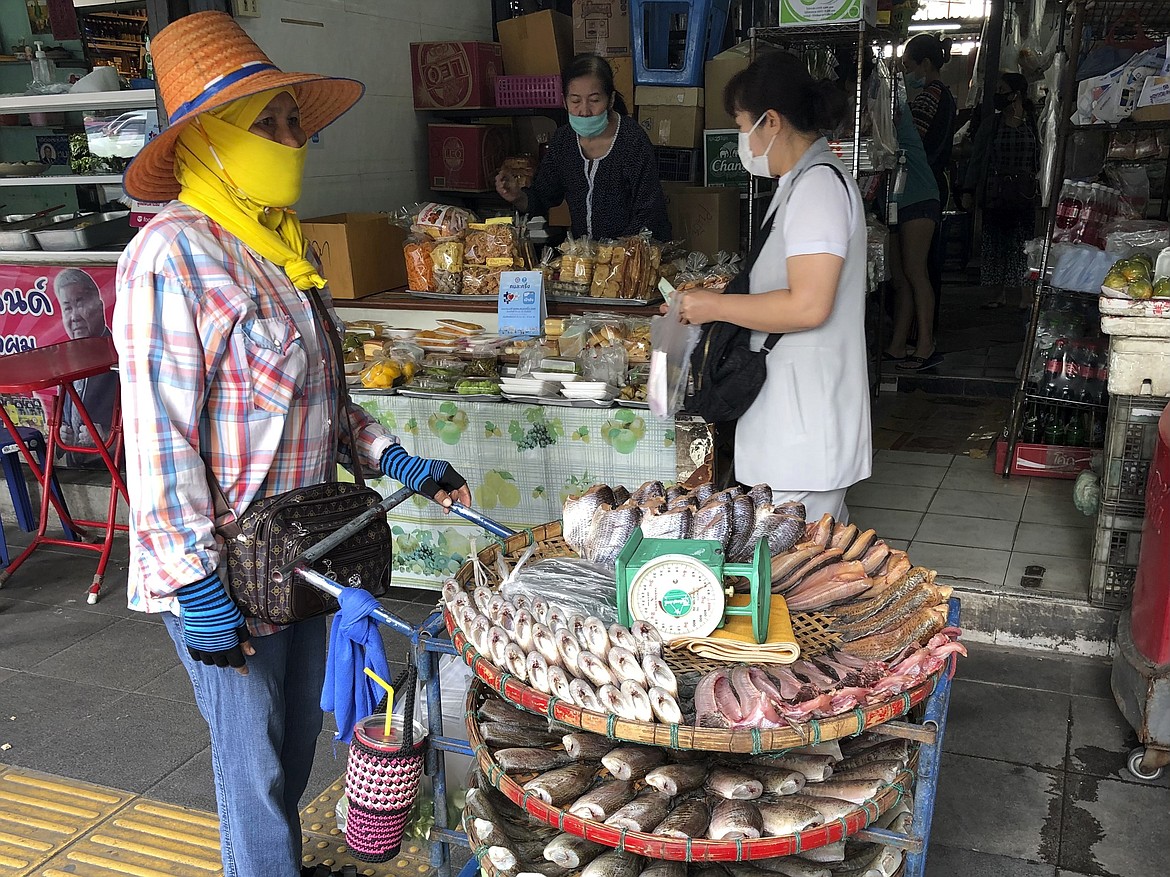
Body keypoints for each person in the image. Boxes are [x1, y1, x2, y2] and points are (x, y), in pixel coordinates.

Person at [113, 13, 471, 877]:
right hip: (226, 566)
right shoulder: (171, 255)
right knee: (253, 765)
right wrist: (195, 583)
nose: (290, 139)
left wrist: (393, 458)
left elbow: (327, 399)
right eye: (265, 124)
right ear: (207, 140)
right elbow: (158, 438)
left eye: (292, 122)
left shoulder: (282, 246)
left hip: (308, 550)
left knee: (297, 735)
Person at [672, 52, 871, 523]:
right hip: (793, 418)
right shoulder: (797, 183)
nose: (743, 139)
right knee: (812, 553)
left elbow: (808, 305)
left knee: (795, 556)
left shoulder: (818, 189)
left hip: (806, 425)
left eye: (743, 126)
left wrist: (716, 307)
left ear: (772, 121)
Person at [495, 53, 671, 242]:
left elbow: (650, 211)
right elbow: (543, 195)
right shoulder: (564, 141)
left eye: (594, 100)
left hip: (634, 252)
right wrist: (518, 196)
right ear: (564, 101)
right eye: (575, 101)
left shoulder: (631, 139)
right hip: (584, 254)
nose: (584, 111)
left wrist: (619, 252)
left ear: (610, 100)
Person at [962, 72, 1040, 310]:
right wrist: (968, 189)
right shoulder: (992, 124)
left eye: (1002, 90)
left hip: (1025, 192)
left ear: (1016, 94)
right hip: (996, 191)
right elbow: (977, 158)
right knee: (994, 244)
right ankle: (996, 294)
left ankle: (1025, 295)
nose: (998, 95)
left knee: (1024, 245)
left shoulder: (1034, 122)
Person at [884, 96, 942, 370]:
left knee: (915, 272)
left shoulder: (894, 107)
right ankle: (897, 345)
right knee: (901, 278)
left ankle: (926, 344)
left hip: (918, 198)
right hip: (893, 203)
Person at [52, 268, 119, 466]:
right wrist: (61, 436)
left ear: (100, 307)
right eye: (67, 308)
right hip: (76, 470)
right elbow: (64, 418)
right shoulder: (66, 359)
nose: (74, 316)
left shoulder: (120, 357)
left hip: (112, 471)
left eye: (80, 304)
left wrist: (107, 437)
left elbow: (146, 423)